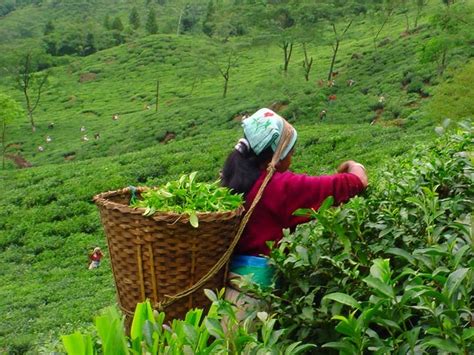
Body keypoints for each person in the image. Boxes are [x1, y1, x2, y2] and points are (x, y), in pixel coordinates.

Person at [220, 108, 368, 307]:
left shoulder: (234, 178)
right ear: (277, 156)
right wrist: (353, 164)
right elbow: (357, 182)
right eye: (291, 150)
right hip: (254, 295)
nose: (293, 156)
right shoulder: (278, 187)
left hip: (227, 285)